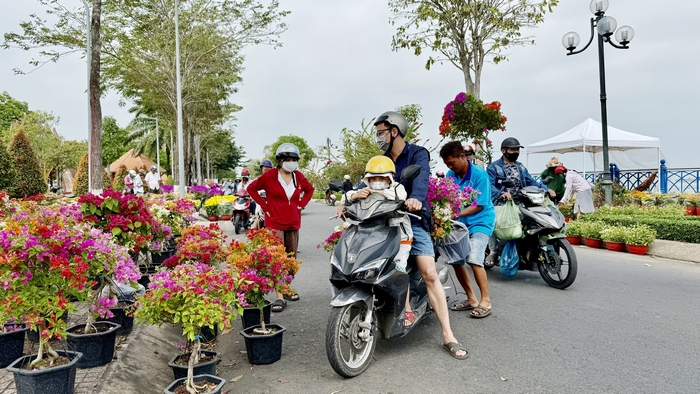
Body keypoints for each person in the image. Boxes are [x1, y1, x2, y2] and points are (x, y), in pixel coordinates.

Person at [337, 111, 468, 360]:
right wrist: (349, 198)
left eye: (381, 132)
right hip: (384, 220)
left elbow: (420, 180)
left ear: (394, 131)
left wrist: (416, 199)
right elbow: (368, 181)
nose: (378, 137)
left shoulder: (417, 153)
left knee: (429, 273)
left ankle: (448, 335)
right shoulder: (382, 159)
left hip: (413, 219)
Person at [342, 156, 415, 327]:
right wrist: (356, 195)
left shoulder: (397, 188)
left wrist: (380, 192)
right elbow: (345, 198)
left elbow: (401, 197)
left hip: (399, 237)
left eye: (381, 178)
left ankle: (407, 308)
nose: (376, 182)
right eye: (373, 178)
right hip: (374, 236)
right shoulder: (365, 190)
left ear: (389, 178)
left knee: (399, 269)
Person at [247, 143, 315, 313]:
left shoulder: (298, 177)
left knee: (290, 259)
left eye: (294, 160)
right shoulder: (269, 176)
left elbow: (309, 190)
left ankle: (286, 288)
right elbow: (251, 188)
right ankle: (278, 296)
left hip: (293, 224)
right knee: (277, 260)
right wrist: (265, 205)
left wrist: (301, 204)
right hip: (275, 224)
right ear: (280, 160)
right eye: (288, 159)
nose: (291, 163)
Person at [440, 141, 494, 319]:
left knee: (474, 259)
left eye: (452, 162)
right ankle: (471, 299)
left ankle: (485, 301)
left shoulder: (480, 175)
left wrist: (455, 214)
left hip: (480, 221)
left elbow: (479, 205)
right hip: (460, 223)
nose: (449, 166)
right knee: (456, 260)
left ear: (462, 156)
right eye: (447, 164)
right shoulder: (450, 174)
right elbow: (446, 198)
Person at [486, 137, 555, 263]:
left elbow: (531, 181)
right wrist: (502, 193)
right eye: (512, 149)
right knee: (492, 221)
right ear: (503, 151)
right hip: (501, 203)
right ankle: (493, 251)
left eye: (517, 149)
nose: (516, 152)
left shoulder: (520, 167)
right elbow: (489, 186)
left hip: (522, 202)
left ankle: (529, 249)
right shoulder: (494, 167)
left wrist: (546, 189)